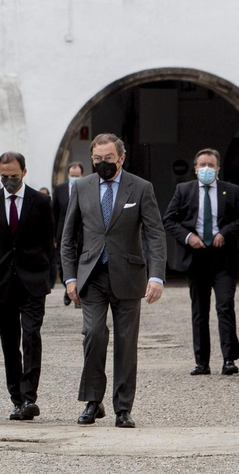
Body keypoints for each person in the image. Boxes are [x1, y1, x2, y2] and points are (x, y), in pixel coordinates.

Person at [59, 133, 165, 429]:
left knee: (125, 342)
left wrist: (156, 276)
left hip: (129, 275)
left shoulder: (141, 188)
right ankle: (93, 401)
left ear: (121, 157)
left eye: (108, 159)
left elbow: (155, 234)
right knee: (93, 334)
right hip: (91, 275)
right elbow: (68, 237)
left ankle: (123, 407)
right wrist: (69, 278)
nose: (102, 164)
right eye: (97, 159)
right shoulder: (81, 187)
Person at [0, 152, 54, 422]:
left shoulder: (41, 201)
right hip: (2, 282)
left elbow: (49, 241)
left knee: (31, 336)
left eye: (13, 176)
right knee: (9, 342)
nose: (9, 181)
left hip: (33, 280)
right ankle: (16, 399)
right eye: (4, 176)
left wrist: (48, 276)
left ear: (24, 172)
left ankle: (30, 396)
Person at [162, 148, 239, 377]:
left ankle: (229, 359)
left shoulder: (231, 191)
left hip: (224, 258)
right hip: (196, 258)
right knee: (199, 311)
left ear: (218, 168)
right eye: (202, 165)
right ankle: (202, 362)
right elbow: (169, 220)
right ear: (195, 168)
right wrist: (188, 237)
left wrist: (226, 233)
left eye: (211, 165)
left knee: (224, 307)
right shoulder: (184, 190)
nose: (207, 169)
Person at [51, 161, 86, 302]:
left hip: (82, 232)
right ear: (68, 174)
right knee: (62, 261)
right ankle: (68, 288)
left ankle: (77, 289)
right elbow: (54, 213)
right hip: (63, 231)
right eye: (72, 175)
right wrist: (53, 236)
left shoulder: (86, 188)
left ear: (82, 175)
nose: (74, 177)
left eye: (77, 175)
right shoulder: (60, 189)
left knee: (79, 261)